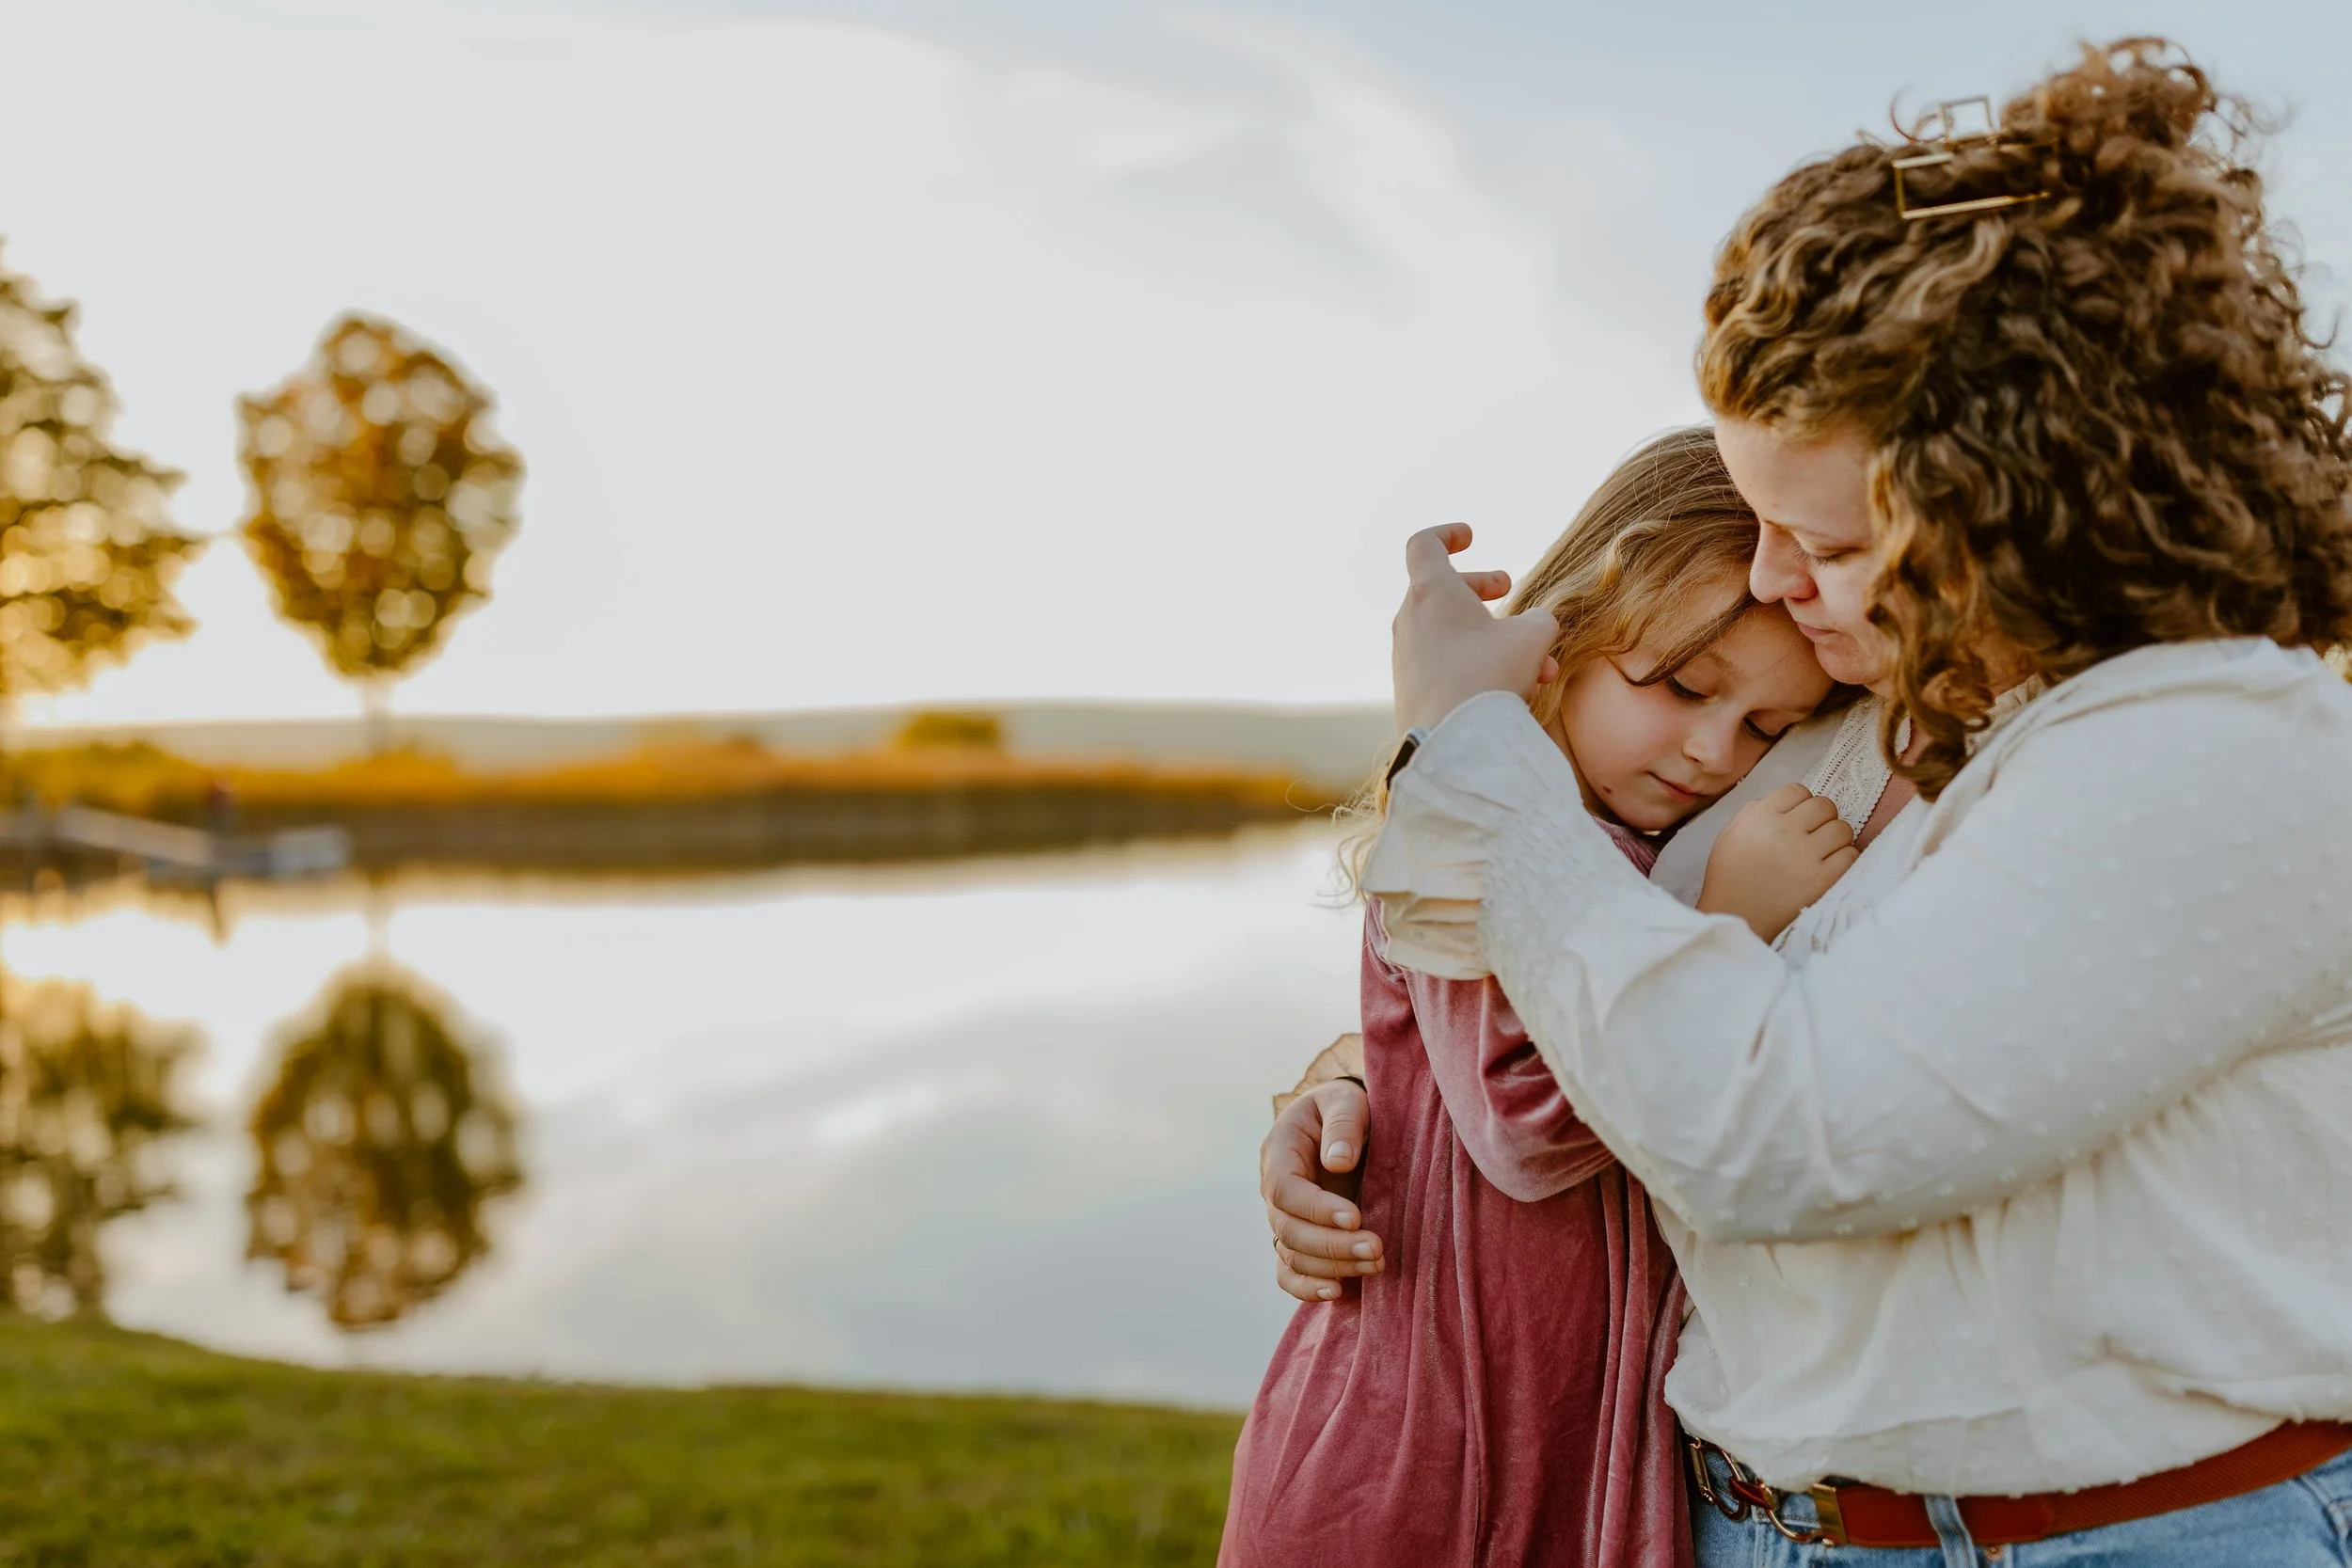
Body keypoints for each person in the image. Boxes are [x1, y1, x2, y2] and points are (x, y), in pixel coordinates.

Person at [1268, 39, 2352, 1565]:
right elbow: (1642, 964)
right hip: (1752, 1523)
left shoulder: (2225, 742)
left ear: (2011, 501)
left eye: (1825, 542)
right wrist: (1362, 1094)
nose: (1773, 582)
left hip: (2126, 1535)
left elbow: (1789, 1130)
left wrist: (1472, 744)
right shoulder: (1849, 713)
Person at [1224, 428, 1840, 1568]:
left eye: (1765, 725)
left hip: (1580, 1454)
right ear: (1559, 649)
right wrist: (1724, 924)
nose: (1712, 748)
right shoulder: (1487, 838)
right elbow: (1523, 1122)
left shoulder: (1625, 856)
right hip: (1413, 1468)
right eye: (1681, 686)